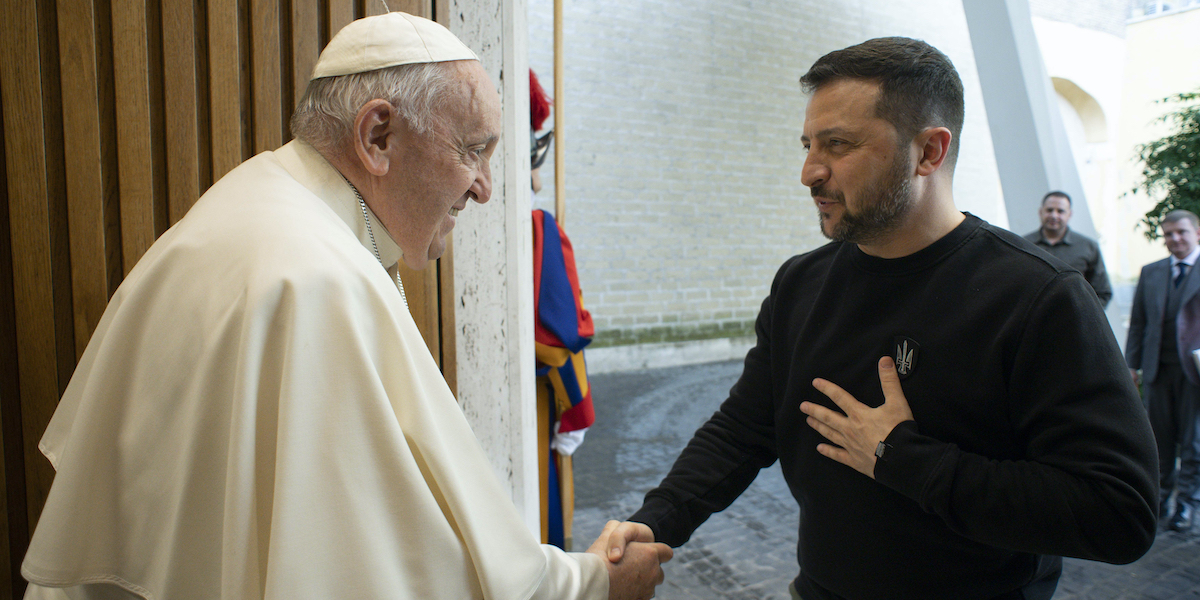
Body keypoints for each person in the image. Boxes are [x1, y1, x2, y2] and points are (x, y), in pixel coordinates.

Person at [20, 12, 671, 600]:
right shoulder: (316, 279)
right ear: (378, 135)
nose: (483, 189)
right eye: (472, 150)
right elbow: (404, 570)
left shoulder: (254, 203)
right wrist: (593, 586)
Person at [627, 37, 1157, 600]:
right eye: (808, 145)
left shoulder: (1039, 298)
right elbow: (744, 428)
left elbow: (1119, 512)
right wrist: (655, 523)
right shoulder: (801, 284)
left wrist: (902, 459)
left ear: (929, 151)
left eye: (838, 145)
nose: (809, 172)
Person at [1126, 209, 1200, 533]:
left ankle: (1187, 503)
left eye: (1181, 232)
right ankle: (1157, 499)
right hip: (1158, 369)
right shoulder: (1151, 272)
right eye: (1168, 234)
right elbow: (1139, 322)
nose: (1175, 239)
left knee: (1194, 441)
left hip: (1195, 373)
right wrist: (1131, 364)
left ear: (1197, 233)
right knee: (1158, 440)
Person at [1023, 190, 1113, 307]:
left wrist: (1083, 316)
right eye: (1049, 210)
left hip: (1073, 321)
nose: (1054, 215)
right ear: (1040, 212)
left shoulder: (1088, 247)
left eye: (1060, 211)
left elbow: (1102, 292)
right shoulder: (1023, 245)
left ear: (1069, 214)